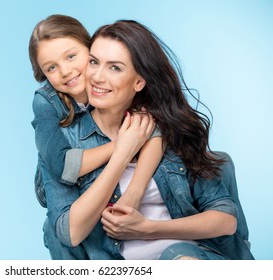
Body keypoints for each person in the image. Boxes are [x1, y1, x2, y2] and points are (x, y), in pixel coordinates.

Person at [42, 19, 254, 260]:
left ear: (139, 81)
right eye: (93, 62)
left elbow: (225, 218)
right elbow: (66, 233)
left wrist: (147, 228)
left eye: (115, 68)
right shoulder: (65, 144)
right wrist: (122, 152)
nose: (97, 77)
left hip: (188, 256)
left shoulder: (165, 127)